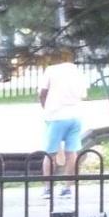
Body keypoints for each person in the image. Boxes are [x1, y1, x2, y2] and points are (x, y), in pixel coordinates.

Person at [38, 50, 88, 198]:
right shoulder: (77, 72)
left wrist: (45, 107)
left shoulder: (51, 70)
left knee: (50, 153)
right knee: (71, 152)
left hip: (56, 116)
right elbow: (83, 94)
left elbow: (42, 93)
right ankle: (68, 188)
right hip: (75, 116)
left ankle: (48, 188)